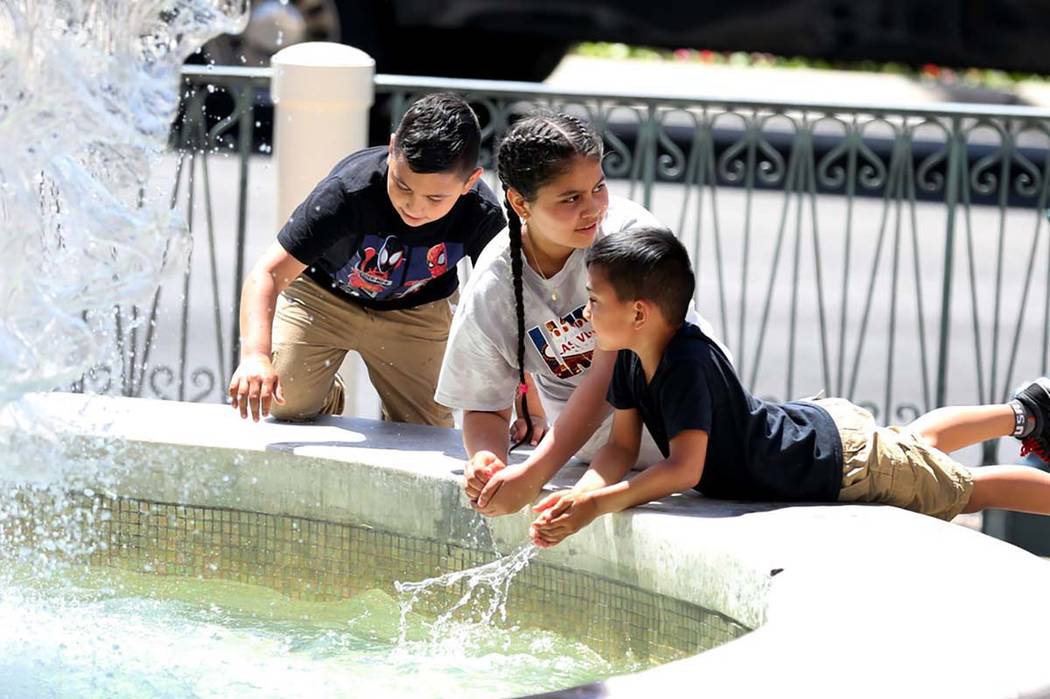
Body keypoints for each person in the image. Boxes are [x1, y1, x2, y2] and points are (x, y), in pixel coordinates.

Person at [528, 226, 1050, 547]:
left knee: (964, 491)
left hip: (834, 466)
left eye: (595, 299)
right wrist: (581, 497)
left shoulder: (686, 361)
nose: (587, 310)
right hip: (818, 438)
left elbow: (684, 468)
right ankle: (1027, 410)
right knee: (914, 448)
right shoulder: (629, 353)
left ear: (639, 312)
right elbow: (621, 447)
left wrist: (597, 506)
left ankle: (1026, 412)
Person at [435, 112, 728, 516]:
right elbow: (484, 404)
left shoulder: (628, 240)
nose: (593, 209)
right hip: (598, 458)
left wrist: (536, 473)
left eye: (598, 188)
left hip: (687, 444)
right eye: (571, 199)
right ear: (520, 202)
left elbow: (607, 373)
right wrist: (488, 461)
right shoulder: (495, 281)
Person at [228, 93, 505, 425]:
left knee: (424, 431)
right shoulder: (348, 192)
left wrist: (526, 400)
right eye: (402, 186)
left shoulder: (481, 213)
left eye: (435, 198)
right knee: (285, 402)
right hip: (322, 299)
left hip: (417, 312)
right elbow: (267, 275)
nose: (414, 207)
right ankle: (321, 389)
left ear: (470, 181)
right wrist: (255, 356)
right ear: (392, 149)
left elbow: (505, 304)